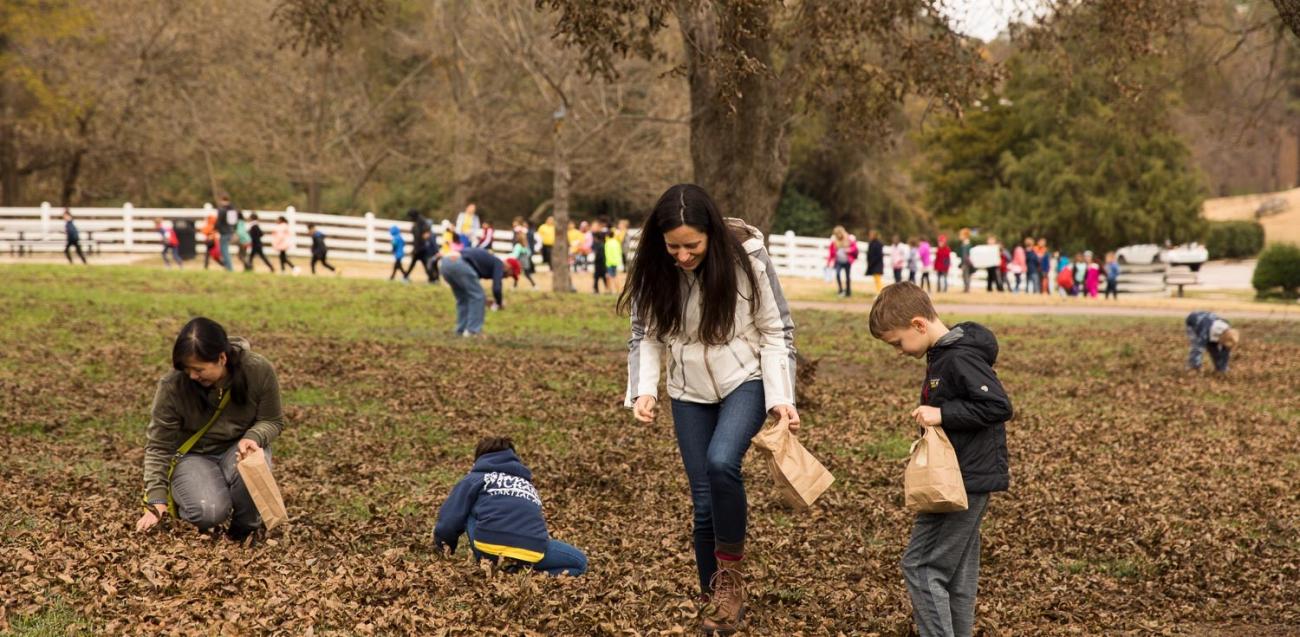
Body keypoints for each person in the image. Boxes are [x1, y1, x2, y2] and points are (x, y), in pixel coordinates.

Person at [620, 184, 798, 634]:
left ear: (711, 235)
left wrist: (781, 397)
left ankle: (731, 583)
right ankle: (713, 600)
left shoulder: (748, 258)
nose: (681, 256)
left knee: (722, 463)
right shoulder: (654, 268)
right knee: (702, 504)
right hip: (687, 389)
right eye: (673, 246)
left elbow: (778, 331)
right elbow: (646, 335)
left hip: (747, 379)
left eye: (691, 246)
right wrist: (645, 390)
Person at [867, 282, 1012, 637]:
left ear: (919, 325)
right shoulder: (945, 354)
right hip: (959, 477)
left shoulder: (958, 357)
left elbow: (998, 406)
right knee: (959, 573)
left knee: (921, 566)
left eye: (897, 343)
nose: (899, 352)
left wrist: (941, 414)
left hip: (961, 480)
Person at [135, 317, 285, 542]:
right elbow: (159, 446)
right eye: (187, 369)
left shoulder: (258, 370)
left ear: (222, 358)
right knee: (208, 511)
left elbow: (272, 420)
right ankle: (202, 498)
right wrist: (156, 500)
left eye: (199, 369)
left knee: (255, 458)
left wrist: (253, 437)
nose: (192, 376)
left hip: (236, 448)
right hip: (194, 456)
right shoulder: (173, 386)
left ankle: (244, 529)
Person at [434, 436, 587, 576]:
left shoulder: (474, 479)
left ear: (478, 460)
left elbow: (449, 521)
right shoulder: (527, 485)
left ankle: (500, 569)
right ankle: (523, 573)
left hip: (489, 550)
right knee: (579, 563)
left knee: (466, 505)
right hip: (531, 551)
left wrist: (445, 550)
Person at [442, 245, 505, 337]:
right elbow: (496, 288)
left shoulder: (487, 260)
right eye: (509, 275)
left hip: (445, 262)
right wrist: (499, 303)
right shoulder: (499, 263)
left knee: (463, 298)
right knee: (478, 296)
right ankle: (473, 331)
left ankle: (461, 330)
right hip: (460, 263)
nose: (505, 276)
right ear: (509, 267)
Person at [406, 209, 438, 284]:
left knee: (415, 264)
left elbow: (422, 236)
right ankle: (432, 279)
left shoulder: (420, 222)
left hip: (420, 248)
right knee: (422, 264)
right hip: (421, 248)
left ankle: (433, 279)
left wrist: (416, 248)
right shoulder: (419, 221)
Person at [827, 226, 858, 297]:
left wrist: (849, 250)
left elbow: (855, 248)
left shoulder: (849, 239)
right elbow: (831, 253)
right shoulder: (834, 241)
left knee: (847, 276)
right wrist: (828, 262)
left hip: (847, 261)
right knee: (837, 274)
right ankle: (840, 289)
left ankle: (848, 291)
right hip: (838, 261)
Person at [215, 195, 239, 272]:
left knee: (224, 251)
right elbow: (235, 222)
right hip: (230, 232)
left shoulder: (222, 210)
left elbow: (218, 221)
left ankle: (229, 268)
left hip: (224, 232)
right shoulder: (232, 210)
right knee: (225, 250)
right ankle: (228, 267)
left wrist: (215, 228)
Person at [591, 218, 610, 294]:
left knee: (598, 277)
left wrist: (596, 260)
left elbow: (599, 255)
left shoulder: (600, 245)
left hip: (600, 263)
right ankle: (600, 289)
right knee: (600, 277)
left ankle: (599, 289)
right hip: (601, 263)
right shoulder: (601, 244)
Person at [604, 225, 624, 293]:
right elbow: (619, 251)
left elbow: (606, 253)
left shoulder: (607, 243)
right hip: (616, 261)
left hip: (609, 262)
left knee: (609, 276)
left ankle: (610, 290)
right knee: (615, 276)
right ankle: (618, 289)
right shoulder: (616, 242)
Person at [958, 228, 973, 293]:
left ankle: (967, 289)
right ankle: (966, 288)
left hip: (966, 263)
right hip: (966, 262)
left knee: (966, 276)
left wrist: (962, 263)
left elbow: (965, 255)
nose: (960, 236)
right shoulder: (965, 244)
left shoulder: (966, 245)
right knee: (965, 276)